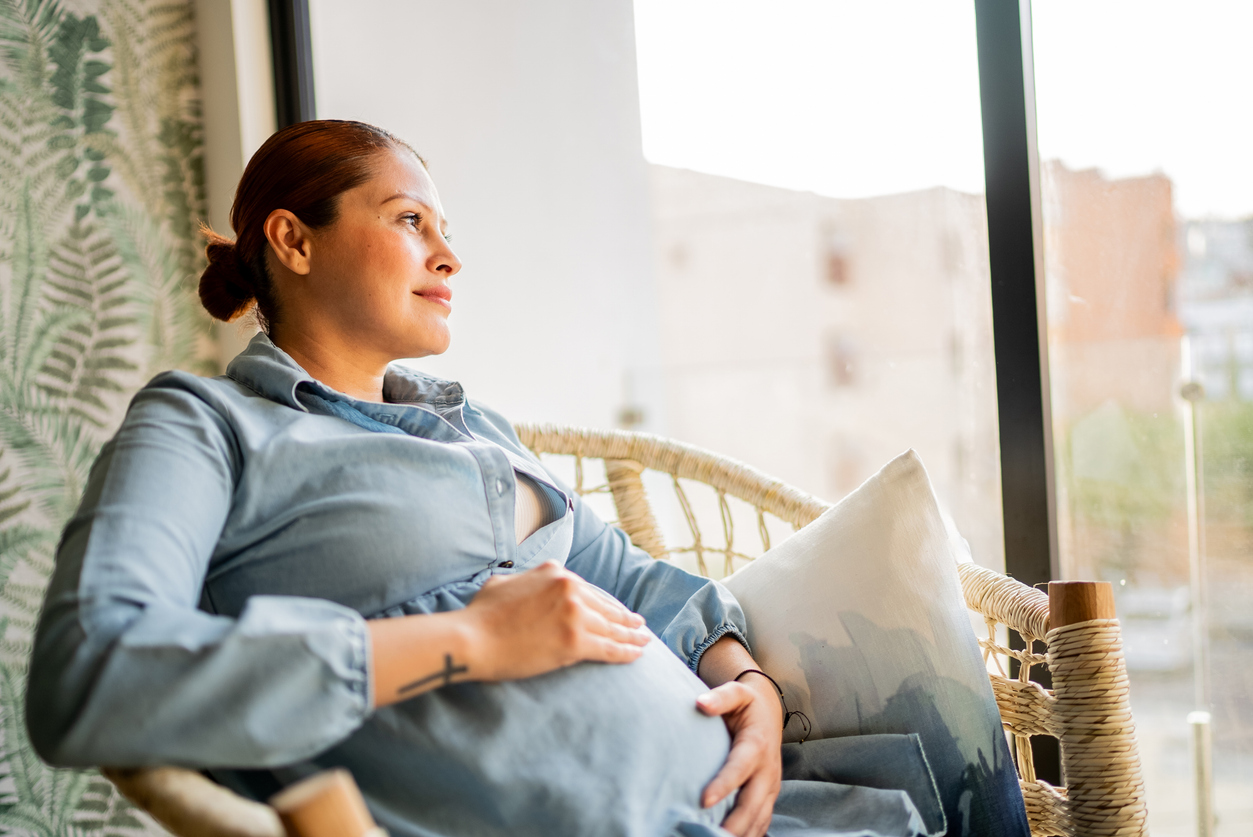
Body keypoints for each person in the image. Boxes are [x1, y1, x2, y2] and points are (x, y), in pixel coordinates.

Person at [26, 121, 931, 837]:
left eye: (447, 231)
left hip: (776, 809)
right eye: (410, 221)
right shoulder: (204, 424)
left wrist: (750, 689)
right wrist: (468, 640)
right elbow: (91, 675)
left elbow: (627, 573)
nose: (449, 258)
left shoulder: (476, 431)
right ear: (294, 241)